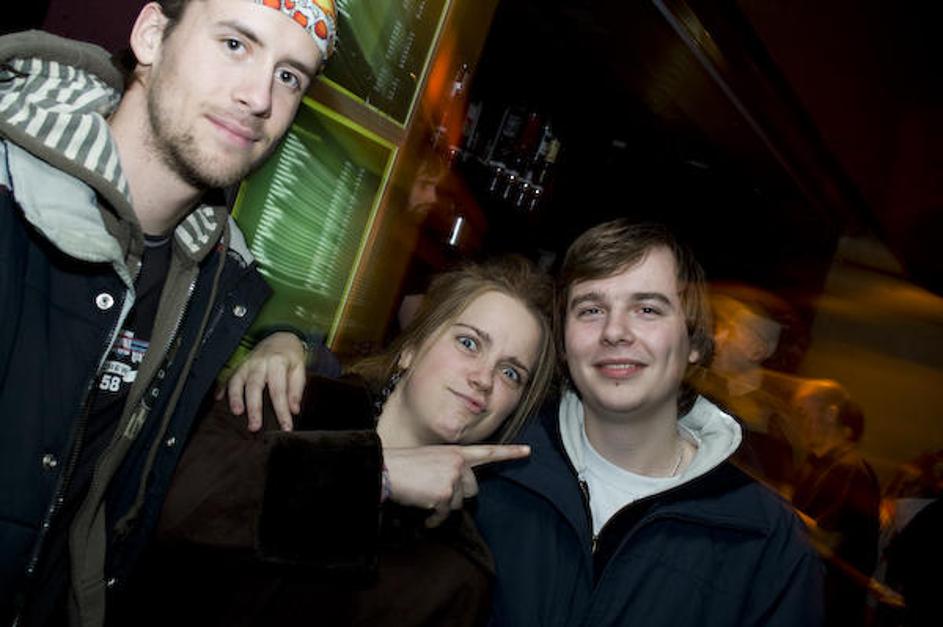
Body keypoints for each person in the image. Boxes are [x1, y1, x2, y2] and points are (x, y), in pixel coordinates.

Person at [0, 1, 338, 625]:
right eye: (235, 45)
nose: (259, 97)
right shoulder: (10, 196)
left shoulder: (213, 282)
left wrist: (286, 336)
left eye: (290, 76)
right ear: (152, 35)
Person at [120, 257, 556, 626]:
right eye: (468, 343)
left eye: (511, 373)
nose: (484, 379)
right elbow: (171, 510)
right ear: (411, 349)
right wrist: (374, 475)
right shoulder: (286, 400)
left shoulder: (459, 570)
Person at [474, 220, 823, 626]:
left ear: (693, 343)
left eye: (647, 309)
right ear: (564, 342)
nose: (614, 332)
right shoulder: (487, 467)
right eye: (591, 310)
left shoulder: (768, 545)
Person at [791, 379, 881, 627]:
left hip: (829, 604)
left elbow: (826, 540)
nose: (798, 421)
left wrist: (770, 504)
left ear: (831, 414)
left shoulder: (849, 469)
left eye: (803, 413)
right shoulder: (815, 463)